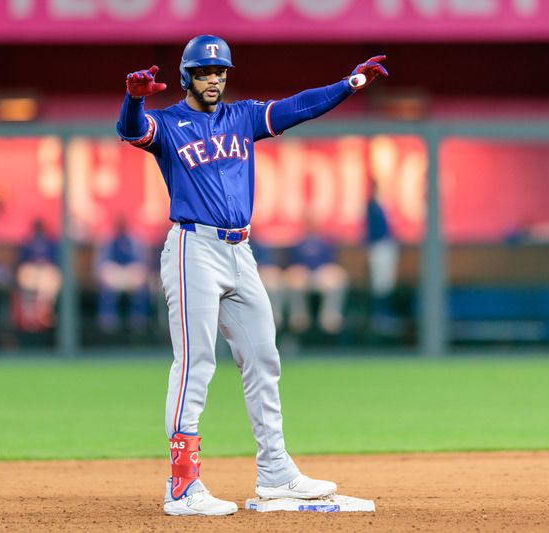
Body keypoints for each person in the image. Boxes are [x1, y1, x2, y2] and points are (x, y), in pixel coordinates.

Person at [116, 35, 387, 516]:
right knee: (196, 363)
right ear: (187, 77)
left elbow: (298, 107)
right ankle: (182, 487)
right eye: (204, 72)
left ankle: (276, 473)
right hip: (192, 247)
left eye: (219, 71)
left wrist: (349, 84)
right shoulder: (171, 123)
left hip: (241, 250)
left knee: (263, 357)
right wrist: (134, 100)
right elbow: (132, 131)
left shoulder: (241, 118)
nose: (214, 79)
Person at [284, 222, 349, 335]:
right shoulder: (298, 243)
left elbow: (333, 262)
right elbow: (291, 264)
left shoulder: (327, 242)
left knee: (335, 278)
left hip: (322, 274)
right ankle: (298, 318)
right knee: (295, 279)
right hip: (302, 275)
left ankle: (330, 318)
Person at [95, 218, 151, 333]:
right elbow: (101, 264)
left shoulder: (134, 240)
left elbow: (143, 262)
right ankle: (108, 320)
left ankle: (139, 320)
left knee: (141, 285)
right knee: (107, 287)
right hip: (115, 272)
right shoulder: (108, 240)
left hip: (130, 272)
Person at [365, 181, 403, 335]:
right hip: (378, 248)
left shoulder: (382, 205)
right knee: (379, 284)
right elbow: (373, 232)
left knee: (387, 283)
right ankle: (379, 316)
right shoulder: (371, 206)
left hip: (386, 247)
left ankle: (384, 314)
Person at [11, 218, 62, 332]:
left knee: (49, 280)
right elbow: (19, 262)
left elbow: (57, 261)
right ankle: (29, 317)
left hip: (46, 272)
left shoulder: (50, 242)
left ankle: (44, 316)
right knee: (26, 278)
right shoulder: (27, 241)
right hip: (31, 270)